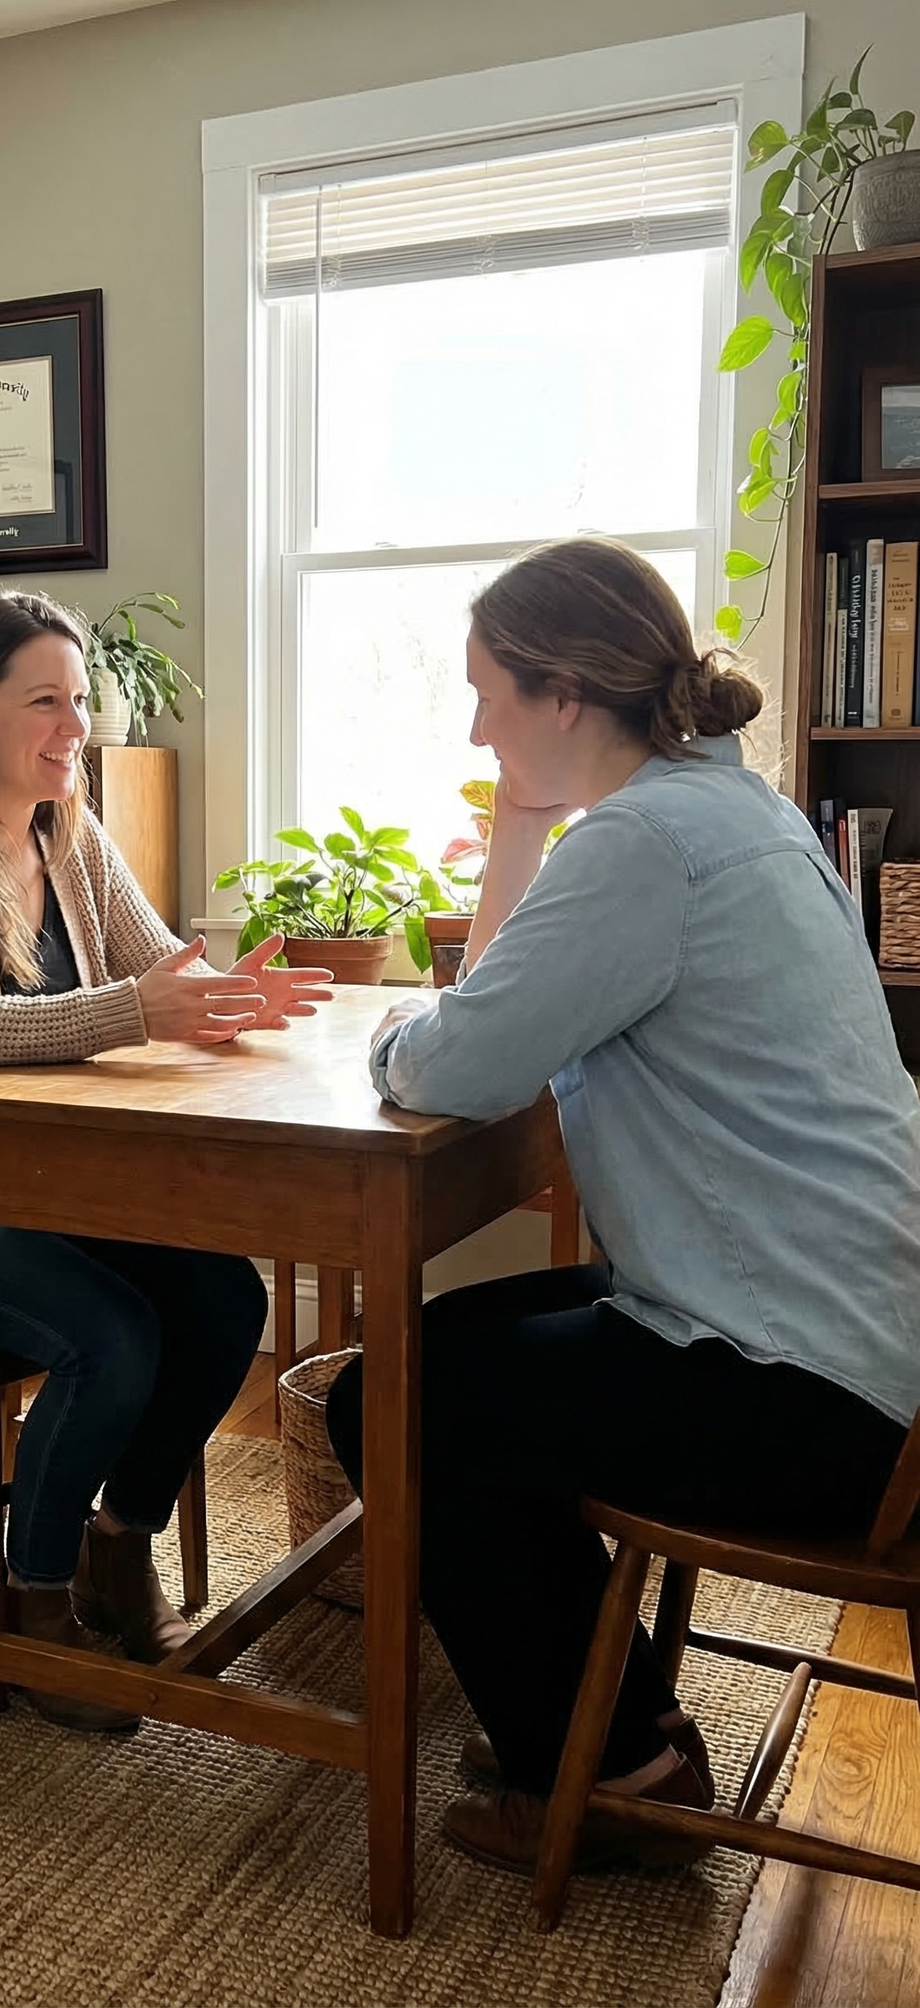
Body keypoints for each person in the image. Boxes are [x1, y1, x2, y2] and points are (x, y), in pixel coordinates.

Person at [324, 536, 920, 1872]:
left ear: (563, 699)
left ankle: (615, 1776)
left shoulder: (646, 847)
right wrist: (525, 828)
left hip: (801, 1387)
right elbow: (495, 1023)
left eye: (488, 695)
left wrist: (395, 1037)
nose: (474, 726)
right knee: (441, 1360)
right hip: (843, 1335)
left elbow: (452, 1061)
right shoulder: (740, 812)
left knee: (392, 1405)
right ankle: (609, 1715)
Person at [0, 587, 332, 1734]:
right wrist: (137, 1009)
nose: (73, 727)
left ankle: (114, 1545)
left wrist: (229, 999)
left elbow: (156, 969)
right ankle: (27, 1614)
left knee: (224, 1298)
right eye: (44, 701)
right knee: (114, 1335)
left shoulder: (68, 831)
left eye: (78, 699)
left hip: (45, 1193)